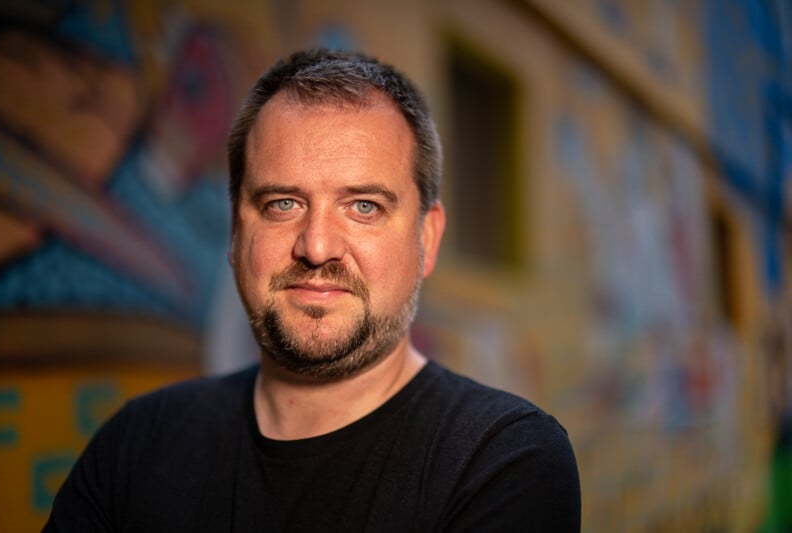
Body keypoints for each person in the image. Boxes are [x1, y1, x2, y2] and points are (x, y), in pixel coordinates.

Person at [45, 49, 581, 532]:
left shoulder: (502, 460)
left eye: (364, 207)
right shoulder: (137, 444)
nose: (318, 246)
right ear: (236, 232)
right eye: (283, 204)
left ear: (426, 238)